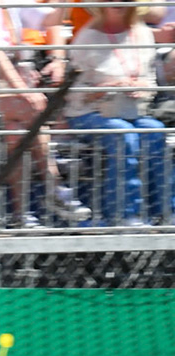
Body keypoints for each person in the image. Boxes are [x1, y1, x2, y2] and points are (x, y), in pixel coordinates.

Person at [67, 2, 166, 225]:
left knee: (156, 131)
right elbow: (74, 93)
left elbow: (150, 80)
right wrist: (110, 87)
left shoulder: (142, 33)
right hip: (87, 113)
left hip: (132, 110)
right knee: (123, 134)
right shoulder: (87, 37)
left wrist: (142, 87)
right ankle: (124, 213)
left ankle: (166, 210)